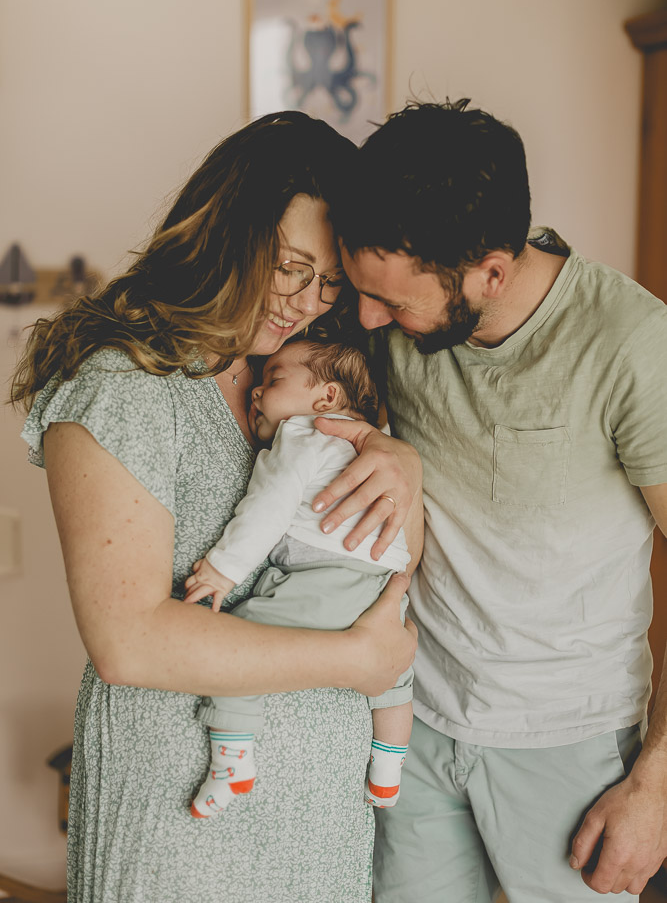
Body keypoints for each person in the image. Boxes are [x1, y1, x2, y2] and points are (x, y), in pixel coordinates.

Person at [11, 111, 419, 903]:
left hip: (318, 812)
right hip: (180, 816)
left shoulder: (309, 383)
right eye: (290, 265)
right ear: (226, 234)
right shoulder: (124, 386)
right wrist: (356, 661)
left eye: (328, 281)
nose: (304, 301)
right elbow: (129, 643)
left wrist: (404, 467)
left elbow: (378, 552)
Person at [322, 98, 667, 902]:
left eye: (395, 304)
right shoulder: (395, 313)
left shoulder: (630, 344)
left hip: (570, 744)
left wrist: (655, 786)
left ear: (491, 273)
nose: (369, 319)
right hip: (412, 721)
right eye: (361, 291)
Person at [183, 339, 418, 818]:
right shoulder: (371, 438)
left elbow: (268, 508)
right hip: (381, 579)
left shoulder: (303, 434)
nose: (256, 392)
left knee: (236, 646)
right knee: (395, 678)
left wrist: (223, 570)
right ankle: (388, 774)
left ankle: (232, 763)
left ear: (326, 399)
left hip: (324, 573)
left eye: (273, 380)